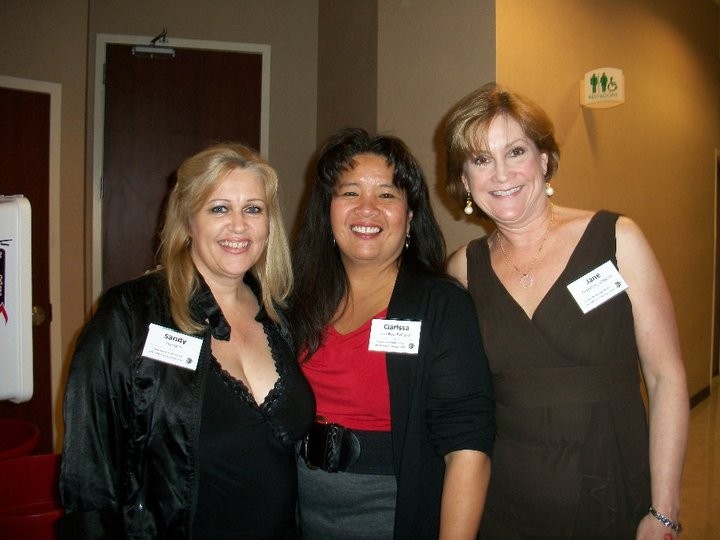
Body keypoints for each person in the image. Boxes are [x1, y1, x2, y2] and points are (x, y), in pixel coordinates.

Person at [444, 82, 689, 539]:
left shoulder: (617, 239)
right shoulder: (463, 270)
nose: (501, 174)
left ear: (544, 160)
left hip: (612, 486)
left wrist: (664, 511)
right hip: (506, 502)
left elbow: (665, 376)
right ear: (465, 180)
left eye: (516, 151)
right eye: (480, 160)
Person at [59, 143, 315, 539]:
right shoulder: (129, 315)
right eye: (219, 208)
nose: (239, 226)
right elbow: (90, 473)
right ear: (188, 220)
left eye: (253, 209)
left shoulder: (281, 315)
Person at [290, 127, 495, 540]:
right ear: (328, 211)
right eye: (350, 192)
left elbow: (467, 447)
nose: (367, 208)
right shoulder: (296, 302)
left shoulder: (440, 305)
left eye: (386, 194)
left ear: (410, 216)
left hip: (394, 513)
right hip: (302, 514)